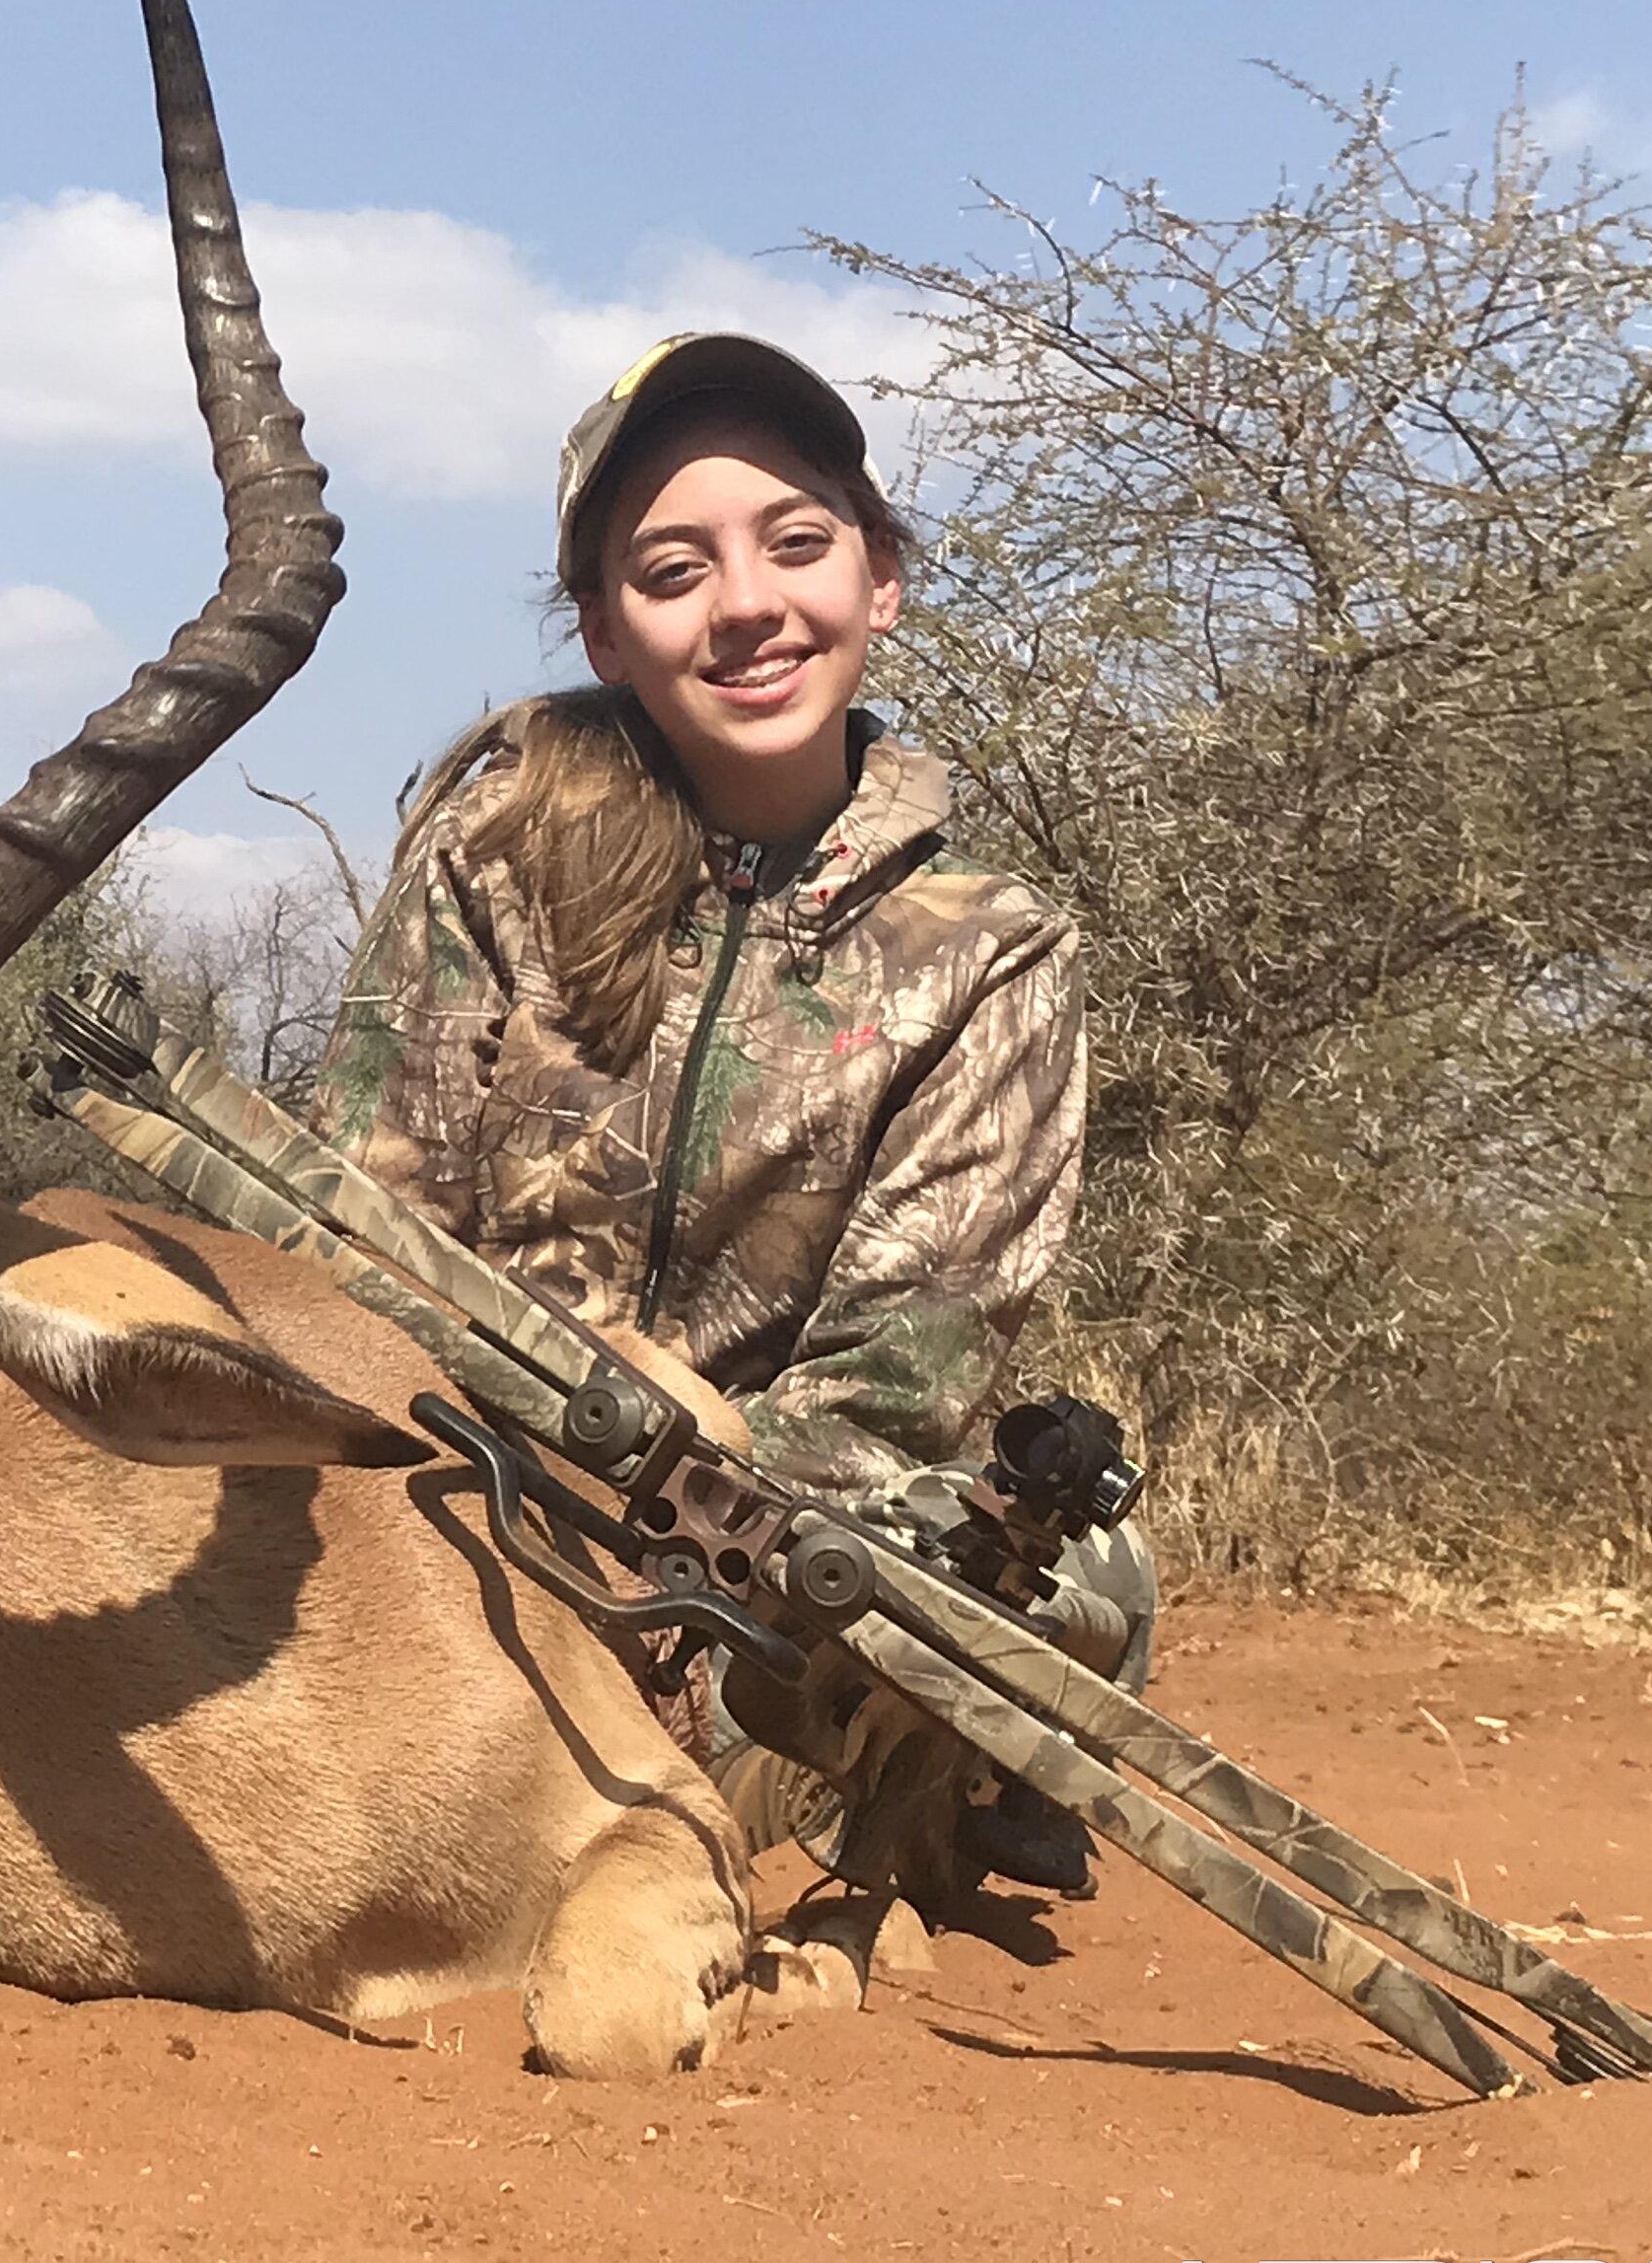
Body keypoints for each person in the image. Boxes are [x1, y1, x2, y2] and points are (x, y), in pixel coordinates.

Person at [310, 330, 1146, 1901]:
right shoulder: (495, 846)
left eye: (799, 544)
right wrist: (553, 1431)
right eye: (673, 567)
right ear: (607, 633)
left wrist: (699, 1463)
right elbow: (360, 1248)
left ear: (880, 580)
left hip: (770, 1554)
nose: (747, 603)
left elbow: (902, 1394)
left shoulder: (993, 952)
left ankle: (875, 1798)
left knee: (1070, 1591)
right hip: (466, 1494)